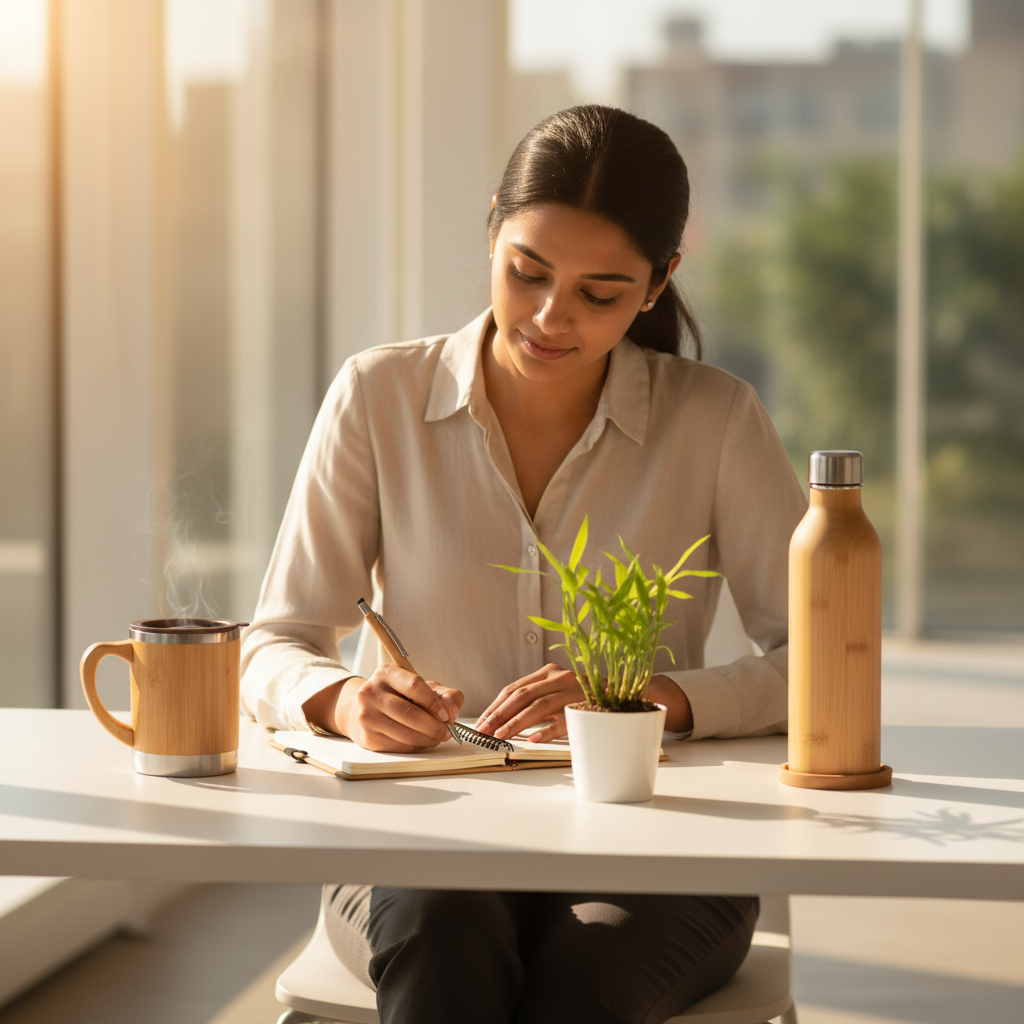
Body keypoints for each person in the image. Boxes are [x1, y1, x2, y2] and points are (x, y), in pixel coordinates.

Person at [241, 105, 807, 1024]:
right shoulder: (379, 396)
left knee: (585, 980)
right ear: (493, 228)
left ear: (659, 283)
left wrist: (654, 700)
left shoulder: (717, 420)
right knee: (445, 941)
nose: (551, 318)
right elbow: (275, 638)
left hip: (655, 846)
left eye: (601, 292)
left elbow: (822, 663)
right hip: (422, 844)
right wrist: (344, 699)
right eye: (527, 272)